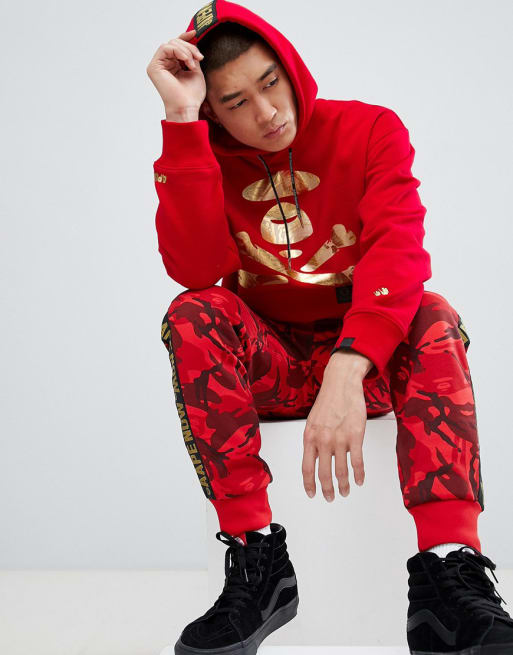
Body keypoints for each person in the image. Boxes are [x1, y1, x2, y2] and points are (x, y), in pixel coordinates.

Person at [147, 1, 513, 653]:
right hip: (272, 367)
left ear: (290, 68)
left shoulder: (369, 129)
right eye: (236, 102)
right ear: (213, 112)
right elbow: (195, 270)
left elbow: (398, 250)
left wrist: (350, 362)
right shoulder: (204, 151)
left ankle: (447, 572)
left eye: (270, 83)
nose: (267, 113)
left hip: (366, 366)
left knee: (432, 311)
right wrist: (181, 124)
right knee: (193, 312)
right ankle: (257, 561)